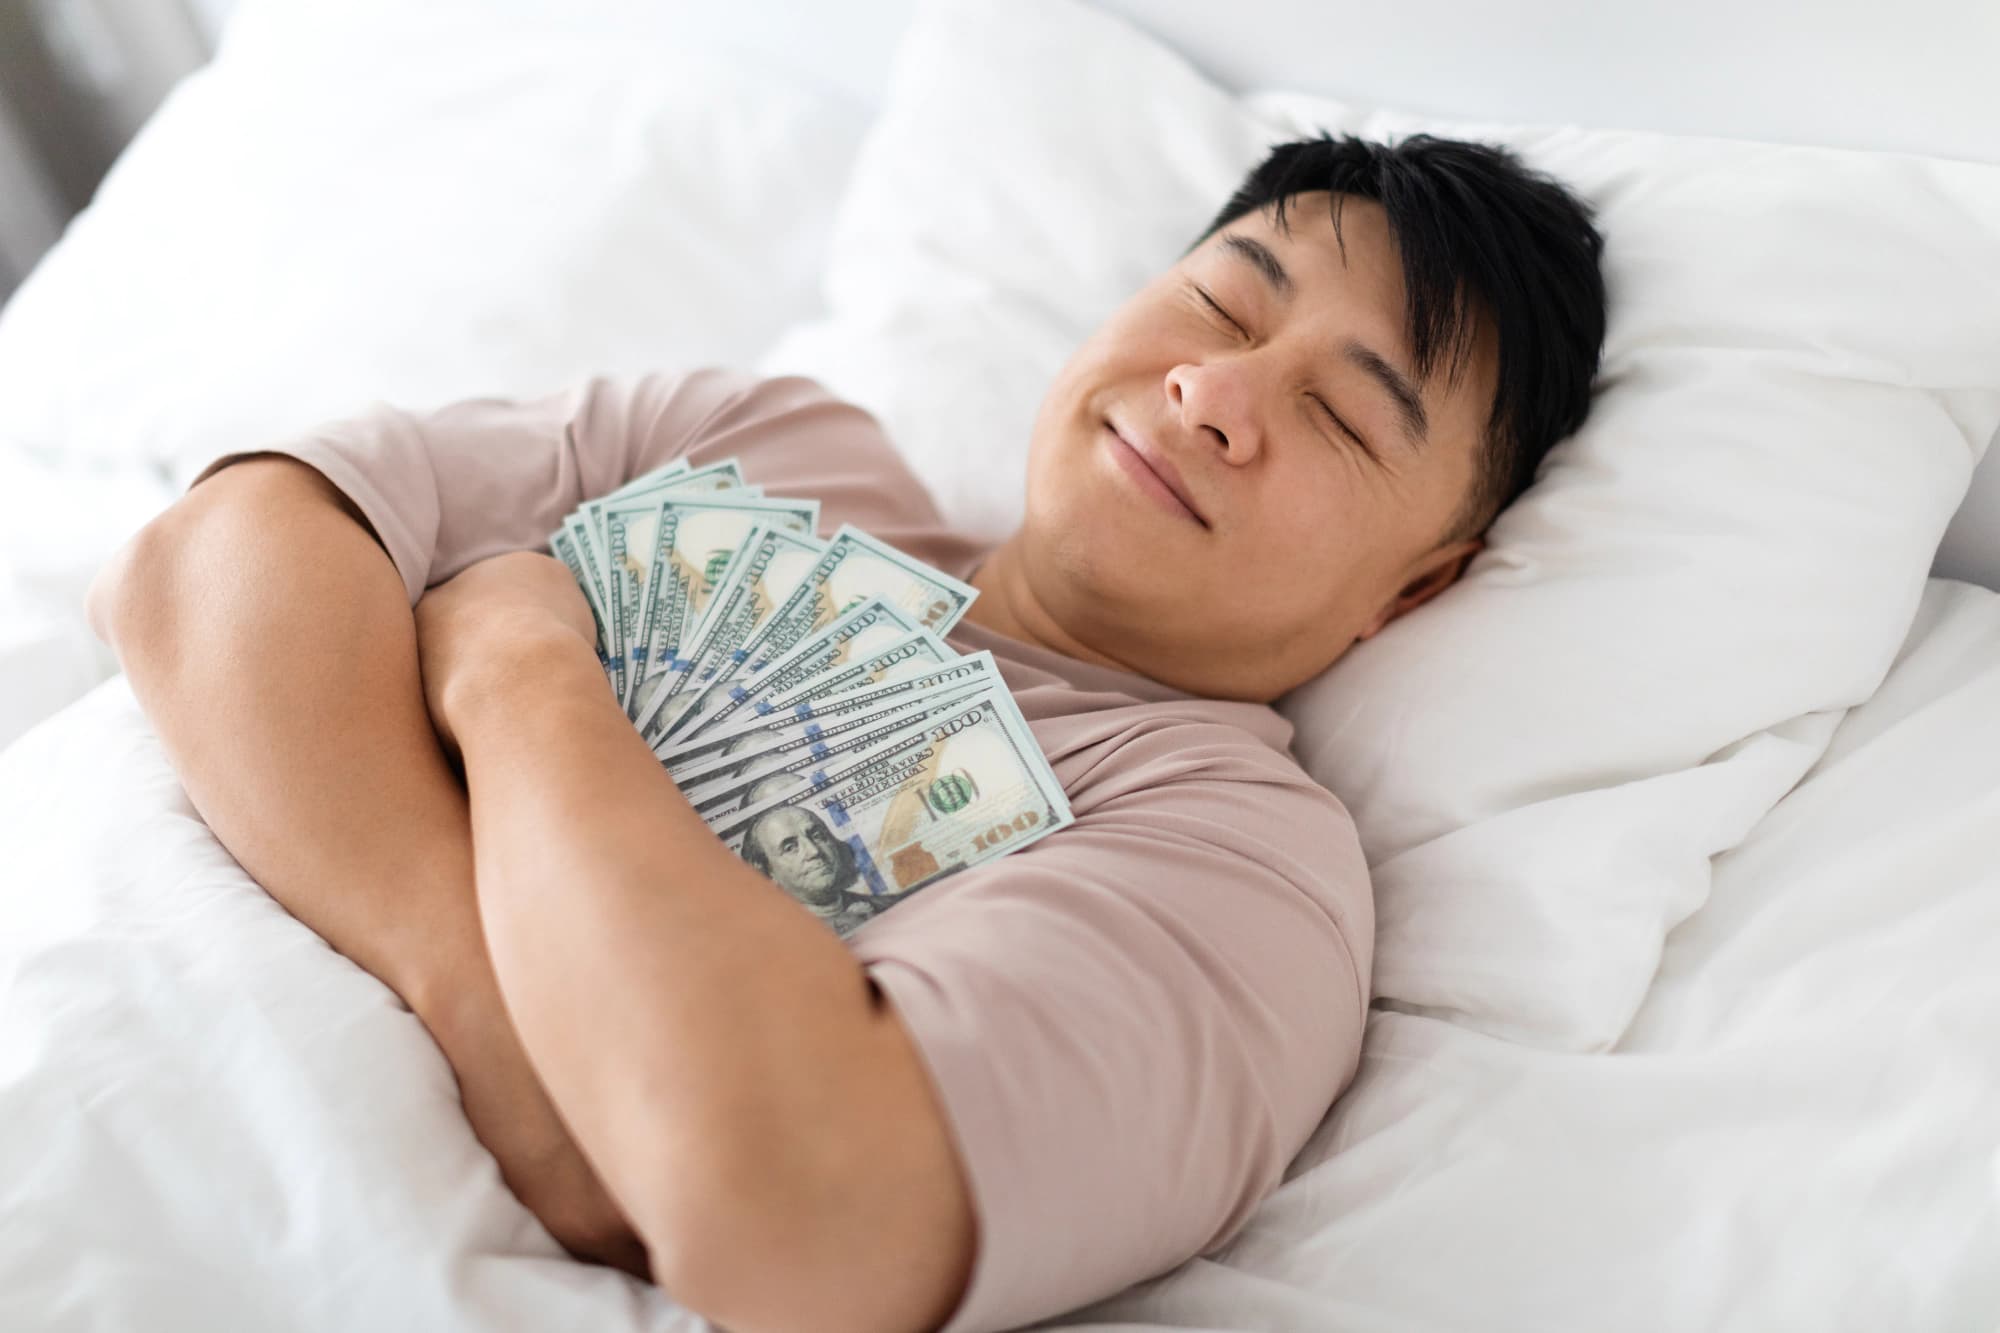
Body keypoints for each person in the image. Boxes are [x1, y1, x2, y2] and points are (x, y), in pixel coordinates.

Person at [85, 131, 1607, 1333]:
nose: (1211, 389)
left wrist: (512, 672)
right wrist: (488, 1011)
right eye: (1221, 303)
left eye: (1344, 417)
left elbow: (801, 1213)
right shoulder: (753, 443)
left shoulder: (1243, 864)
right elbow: (202, 564)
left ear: (1414, 590)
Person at [738, 804, 882, 934]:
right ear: (767, 873)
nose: (814, 851)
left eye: (817, 836)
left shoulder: (884, 905)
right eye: (790, 848)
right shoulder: (774, 943)